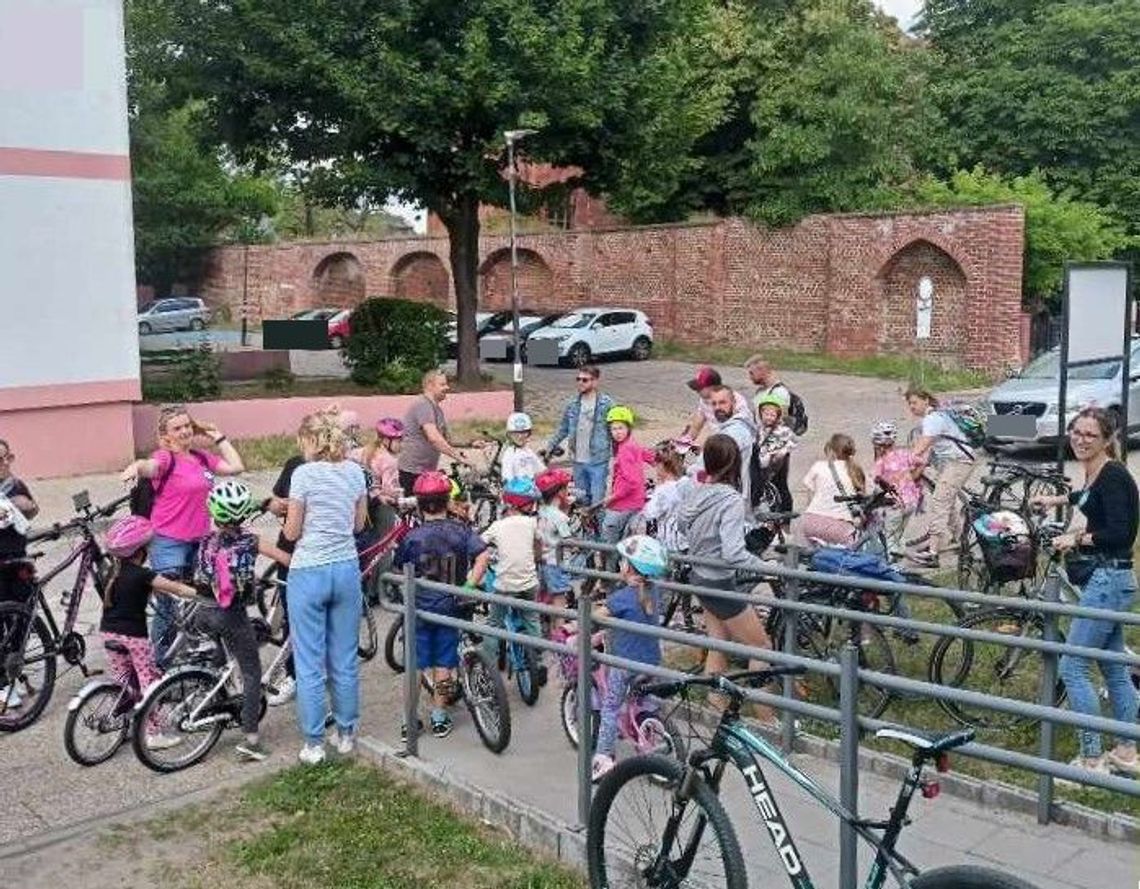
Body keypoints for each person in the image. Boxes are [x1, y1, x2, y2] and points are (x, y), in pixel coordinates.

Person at [1031, 407, 1139, 780]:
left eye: (1089, 435)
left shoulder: (1113, 477)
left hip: (1108, 580)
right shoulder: (1099, 473)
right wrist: (1057, 501)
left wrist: (1075, 537)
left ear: (1107, 439)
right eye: (1076, 431)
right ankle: (1127, 751)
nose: (1080, 439)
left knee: (1073, 667)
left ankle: (1091, 760)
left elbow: (1121, 534)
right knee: (1113, 667)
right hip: (1115, 580)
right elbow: (1090, 499)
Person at [120, 405, 244, 667]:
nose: (185, 431)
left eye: (187, 425)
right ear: (166, 436)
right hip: (168, 542)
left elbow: (236, 467)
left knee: (196, 601)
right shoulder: (166, 458)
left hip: (199, 541)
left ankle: (188, 657)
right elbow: (149, 466)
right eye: (177, 428)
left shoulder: (201, 458)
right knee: (168, 605)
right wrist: (135, 467)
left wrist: (218, 436)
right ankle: (157, 665)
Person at [284, 410, 369, 764]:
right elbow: (359, 524)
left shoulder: (303, 474)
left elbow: (291, 532)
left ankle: (314, 742)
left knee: (309, 662)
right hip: (346, 568)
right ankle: (346, 732)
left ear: (309, 441)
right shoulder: (355, 472)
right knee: (345, 657)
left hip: (309, 570)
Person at [193, 480, 291, 762]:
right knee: (251, 672)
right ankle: (251, 740)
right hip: (230, 614)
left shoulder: (205, 539)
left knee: (221, 657)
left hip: (202, 610)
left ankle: (213, 698)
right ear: (243, 515)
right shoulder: (251, 541)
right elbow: (286, 558)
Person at [393, 471, 491, 739]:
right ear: (448, 501)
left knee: (414, 666)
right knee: (444, 665)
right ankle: (439, 715)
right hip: (451, 606)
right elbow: (483, 554)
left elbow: (399, 569)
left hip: (420, 608)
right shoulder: (461, 531)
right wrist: (470, 584)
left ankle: (409, 719)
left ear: (420, 504)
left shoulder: (412, 537)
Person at [677, 434, 773, 686]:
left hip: (698, 576)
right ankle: (769, 720)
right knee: (762, 646)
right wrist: (767, 568)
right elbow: (733, 553)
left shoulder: (697, 493)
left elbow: (681, 524)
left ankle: (716, 707)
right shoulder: (730, 500)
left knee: (718, 644)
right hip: (719, 582)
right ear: (735, 464)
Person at [98, 515, 198, 750]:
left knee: (123, 679)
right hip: (134, 637)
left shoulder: (111, 572)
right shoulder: (143, 575)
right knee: (148, 683)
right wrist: (198, 592)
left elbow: (129, 595)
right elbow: (174, 588)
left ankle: (122, 722)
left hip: (108, 633)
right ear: (140, 551)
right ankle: (153, 733)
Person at [591, 535, 667, 782]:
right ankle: (649, 731)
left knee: (610, 708)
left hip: (625, 665)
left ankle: (603, 758)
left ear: (628, 567)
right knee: (643, 700)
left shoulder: (622, 597)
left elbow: (597, 616)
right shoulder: (655, 591)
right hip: (652, 662)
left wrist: (582, 617)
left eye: (623, 562)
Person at [905, 387, 975, 567]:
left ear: (926, 400)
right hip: (951, 462)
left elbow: (922, 445)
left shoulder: (933, 419)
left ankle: (933, 553)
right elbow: (928, 453)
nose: (911, 407)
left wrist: (902, 462)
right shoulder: (934, 418)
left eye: (914, 402)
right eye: (909, 404)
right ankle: (961, 540)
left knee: (940, 500)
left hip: (960, 462)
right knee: (947, 500)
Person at [480, 477, 543, 675]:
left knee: (494, 623)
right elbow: (539, 548)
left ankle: (487, 666)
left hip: (505, 585)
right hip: (529, 583)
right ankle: (537, 659)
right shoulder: (532, 523)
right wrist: (536, 558)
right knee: (531, 618)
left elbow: (479, 543)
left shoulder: (498, 526)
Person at [545, 365, 614, 507]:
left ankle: (598, 529)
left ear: (595, 382)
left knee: (597, 501)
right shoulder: (572, 405)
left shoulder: (607, 404)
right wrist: (550, 446)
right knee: (581, 500)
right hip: (578, 461)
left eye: (585, 380)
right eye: (578, 379)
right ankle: (584, 529)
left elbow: (616, 430)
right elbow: (563, 428)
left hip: (598, 461)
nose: (580, 383)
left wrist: (623, 454)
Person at [397, 369, 470, 495]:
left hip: (426, 471)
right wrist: (457, 457)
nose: (447, 387)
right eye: (442, 384)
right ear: (430, 386)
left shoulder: (437, 410)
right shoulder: (422, 405)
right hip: (413, 471)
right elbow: (434, 438)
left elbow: (446, 440)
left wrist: (472, 443)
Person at [599, 406, 655, 561]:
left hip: (622, 504)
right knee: (628, 541)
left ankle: (608, 576)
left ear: (628, 428)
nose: (617, 432)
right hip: (637, 501)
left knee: (608, 540)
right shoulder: (631, 444)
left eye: (621, 428)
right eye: (613, 429)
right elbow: (645, 454)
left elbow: (631, 482)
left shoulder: (624, 450)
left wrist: (612, 498)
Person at [799, 434, 866, 546]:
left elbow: (809, 499)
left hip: (811, 522)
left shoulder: (818, 466)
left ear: (831, 450)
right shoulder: (855, 471)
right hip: (839, 526)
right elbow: (861, 501)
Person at [870, 421, 922, 544]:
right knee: (900, 533)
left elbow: (875, 482)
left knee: (889, 539)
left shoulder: (880, 462)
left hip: (895, 505)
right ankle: (900, 553)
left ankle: (892, 561)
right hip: (911, 502)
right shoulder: (904, 454)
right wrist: (914, 476)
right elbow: (922, 462)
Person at [706, 386, 757, 506]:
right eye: (714, 404)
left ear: (734, 403)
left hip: (730, 500)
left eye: (722, 402)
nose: (718, 407)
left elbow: (712, 468)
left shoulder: (734, 432)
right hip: (734, 496)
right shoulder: (735, 426)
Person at [536, 468, 575, 621]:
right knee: (559, 600)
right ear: (560, 492)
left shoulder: (540, 511)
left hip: (542, 562)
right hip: (556, 562)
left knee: (543, 597)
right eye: (566, 488)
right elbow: (568, 540)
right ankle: (558, 635)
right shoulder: (560, 518)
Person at [641, 443, 692, 555]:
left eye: (657, 464)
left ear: (663, 466)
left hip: (669, 542)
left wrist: (648, 498)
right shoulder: (686, 482)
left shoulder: (663, 490)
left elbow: (650, 513)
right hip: (685, 540)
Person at [753, 392, 797, 512]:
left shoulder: (783, 430)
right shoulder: (758, 429)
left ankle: (784, 518)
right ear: (760, 414)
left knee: (781, 487)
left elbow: (793, 442)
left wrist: (783, 451)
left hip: (777, 462)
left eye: (772, 415)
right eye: (766, 414)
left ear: (778, 416)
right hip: (761, 461)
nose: (769, 417)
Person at [681, 366, 751, 441]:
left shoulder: (736, 400)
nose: (697, 390)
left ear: (713, 387)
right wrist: (684, 442)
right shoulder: (704, 400)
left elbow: (741, 430)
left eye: (700, 388)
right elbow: (696, 426)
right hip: (719, 441)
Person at [501, 412, 546, 482]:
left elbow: (541, 470)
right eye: (516, 433)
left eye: (523, 432)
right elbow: (508, 479)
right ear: (509, 435)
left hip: (532, 489)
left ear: (529, 433)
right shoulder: (509, 454)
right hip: (518, 490)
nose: (520, 436)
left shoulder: (528, 451)